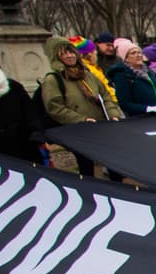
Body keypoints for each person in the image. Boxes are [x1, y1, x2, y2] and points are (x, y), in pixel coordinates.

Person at [39, 36, 124, 180]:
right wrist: (81, 119)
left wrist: (113, 113)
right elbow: (55, 107)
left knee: (113, 163)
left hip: (102, 126)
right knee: (87, 166)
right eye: (64, 53)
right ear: (56, 56)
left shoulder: (89, 75)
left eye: (71, 52)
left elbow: (106, 96)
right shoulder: (53, 80)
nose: (69, 56)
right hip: (80, 130)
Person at [106, 40, 156, 116]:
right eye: (133, 53)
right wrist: (146, 109)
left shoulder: (149, 71)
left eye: (139, 52)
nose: (138, 55)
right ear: (126, 58)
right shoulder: (122, 75)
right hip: (142, 120)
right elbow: (125, 103)